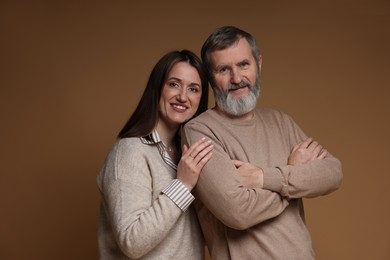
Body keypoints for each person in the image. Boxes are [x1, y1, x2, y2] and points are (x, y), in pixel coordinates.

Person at [183, 26, 343, 259]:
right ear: (210, 76)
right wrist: (296, 175)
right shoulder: (200, 130)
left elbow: (333, 173)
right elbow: (238, 211)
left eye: (243, 65)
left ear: (259, 63)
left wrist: (265, 178)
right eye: (223, 69)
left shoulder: (280, 121)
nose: (236, 78)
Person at [96, 50, 214, 259]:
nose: (183, 96)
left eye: (193, 89)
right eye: (174, 84)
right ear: (157, 87)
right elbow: (131, 242)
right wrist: (182, 185)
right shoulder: (130, 151)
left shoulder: (186, 156)